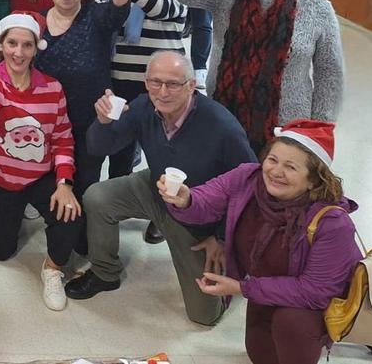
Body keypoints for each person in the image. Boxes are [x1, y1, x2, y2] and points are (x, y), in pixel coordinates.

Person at [64, 52, 257, 325]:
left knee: (204, 315)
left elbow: (250, 187)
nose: (163, 92)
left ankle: (233, 272)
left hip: (201, 215)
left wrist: (222, 238)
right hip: (156, 186)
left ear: (192, 85)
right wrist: (104, 122)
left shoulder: (221, 126)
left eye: (173, 84)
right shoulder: (144, 107)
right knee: (98, 196)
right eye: (155, 82)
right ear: (145, 82)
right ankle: (105, 273)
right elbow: (98, 147)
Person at [161, 120, 362, 363]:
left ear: (313, 180)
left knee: (291, 323)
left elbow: (315, 292)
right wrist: (186, 200)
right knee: (259, 354)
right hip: (266, 285)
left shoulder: (332, 223)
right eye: (272, 160)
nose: (276, 172)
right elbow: (207, 200)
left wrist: (243, 288)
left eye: (290, 167)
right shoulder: (248, 178)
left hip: (312, 306)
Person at [172, 0, 345, 153]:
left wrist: (318, 127)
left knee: (272, 184)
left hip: (287, 128)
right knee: (220, 181)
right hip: (224, 115)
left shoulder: (314, 2)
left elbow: (329, 70)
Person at [0, 3, 82, 311]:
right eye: (12, 43)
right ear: (1, 46)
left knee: (71, 214)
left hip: (39, 178)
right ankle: (13, 216)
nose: (19, 52)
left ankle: (53, 269)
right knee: (0, 251)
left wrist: (65, 183)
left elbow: (63, 138)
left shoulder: (52, 88)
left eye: (27, 45)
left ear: (36, 48)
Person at [95, 0, 188, 246]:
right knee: (121, 149)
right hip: (121, 81)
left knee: (164, 152)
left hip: (165, 88)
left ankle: (164, 215)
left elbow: (160, 6)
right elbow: (102, 20)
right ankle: (116, 205)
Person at [33, 0, 131, 203]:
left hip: (89, 120)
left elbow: (118, 11)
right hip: (48, 123)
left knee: (85, 184)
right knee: (51, 183)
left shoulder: (95, 16)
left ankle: (84, 239)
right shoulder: (37, 22)